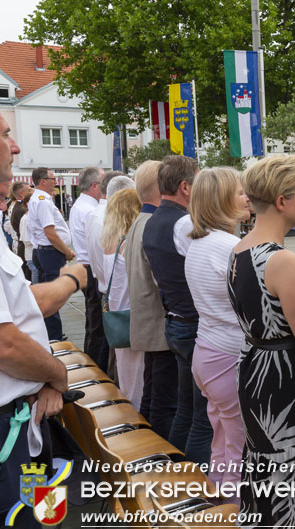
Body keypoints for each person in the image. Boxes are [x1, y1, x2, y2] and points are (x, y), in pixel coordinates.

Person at [0, 105, 86, 529]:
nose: (15, 147)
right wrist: (56, 375)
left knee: (35, 513)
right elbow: (3, 343)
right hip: (1, 432)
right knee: (20, 522)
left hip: (17, 415)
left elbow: (20, 305)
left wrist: (68, 282)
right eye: (6, 134)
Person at [227, 155, 295, 529]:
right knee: (283, 466)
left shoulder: (238, 249)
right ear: (282, 201)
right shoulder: (282, 260)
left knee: (263, 458)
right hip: (282, 380)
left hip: (255, 367)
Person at [143, 155, 212, 465]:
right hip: (194, 325)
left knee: (186, 409)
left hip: (175, 321)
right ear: (186, 187)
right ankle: (193, 486)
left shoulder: (153, 220)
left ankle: (175, 473)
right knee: (203, 417)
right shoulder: (184, 223)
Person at [186, 167, 250, 499]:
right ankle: (235, 514)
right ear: (222, 200)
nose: (246, 197)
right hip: (227, 356)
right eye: (240, 192)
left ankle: (219, 501)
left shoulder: (199, 243)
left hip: (208, 353)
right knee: (238, 447)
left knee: (222, 440)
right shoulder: (232, 246)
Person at [124, 160, 176, 438]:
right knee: (164, 402)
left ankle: (147, 445)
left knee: (153, 392)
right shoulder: (153, 224)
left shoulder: (139, 222)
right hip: (159, 326)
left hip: (147, 324)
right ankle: (159, 455)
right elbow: (164, 281)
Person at [85, 172, 133, 373]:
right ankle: (104, 379)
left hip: (105, 285)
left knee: (105, 341)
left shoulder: (96, 214)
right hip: (111, 290)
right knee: (111, 345)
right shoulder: (105, 218)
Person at [100, 188, 144, 406]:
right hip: (133, 316)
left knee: (126, 376)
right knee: (140, 379)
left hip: (118, 315)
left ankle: (129, 413)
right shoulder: (130, 244)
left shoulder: (109, 244)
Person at [27, 167, 74, 340]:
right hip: (50, 253)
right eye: (53, 179)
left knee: (50, 295)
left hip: (45, 252)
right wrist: (67, 251)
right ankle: (54, 337)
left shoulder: (38, 199)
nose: (56, 182)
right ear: (43, 181)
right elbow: (50, 233)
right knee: (53, 297)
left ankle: (51, 335)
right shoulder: (43, 201)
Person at [68, 166, 106, 363]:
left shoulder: (82, 205)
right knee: (97, 322)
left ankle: (91, 360)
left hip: (87, 266)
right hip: (92, 268)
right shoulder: (90, 209)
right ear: (94, 186)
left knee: (93, 320)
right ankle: (95, 364)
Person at [18, 191, 39, 283]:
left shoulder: (31, 217)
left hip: (34, 253)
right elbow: (26, 239)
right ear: (28, 203)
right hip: (31, 254)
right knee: (36, 273)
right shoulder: (26, 218)